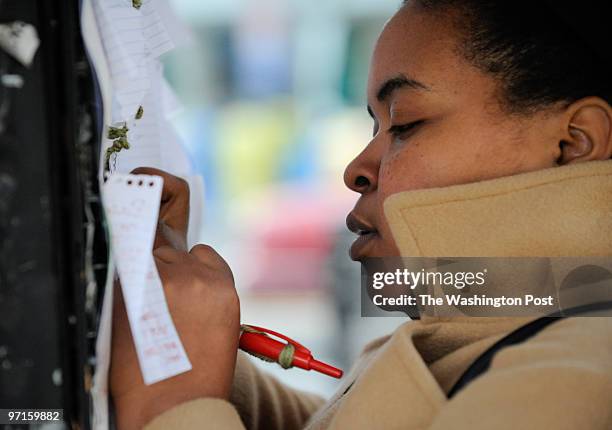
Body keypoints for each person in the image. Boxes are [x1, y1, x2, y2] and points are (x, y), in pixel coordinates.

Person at [110, 1, 612, 429]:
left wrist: (171, 404)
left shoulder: (584, 368)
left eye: (405, 123)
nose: (356, 169)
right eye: (373, 126)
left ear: (572, 143)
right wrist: (184, 345)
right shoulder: (504, 325)